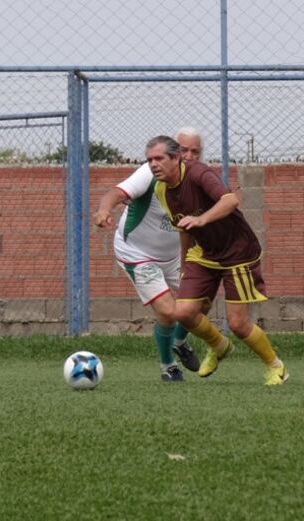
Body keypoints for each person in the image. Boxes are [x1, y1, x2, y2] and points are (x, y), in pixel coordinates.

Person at [145, 135, 288, 386]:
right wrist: (184, 263)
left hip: (237, 253)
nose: (153, 164)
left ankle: (275, 366)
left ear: (176, 158)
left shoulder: (199, 173)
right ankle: (220, 346)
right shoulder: (160, 190)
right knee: (184, 313)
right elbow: (183, 227)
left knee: (238, 323)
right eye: (149, 160)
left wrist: (202, 219)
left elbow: (230, 200)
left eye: (159, 158)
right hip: (203, 254)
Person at [93, 135, 204, 382]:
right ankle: (168, 366)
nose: (153, 163)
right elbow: (115, 193)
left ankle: (179, 340)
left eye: (194, 151)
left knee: (200, 301)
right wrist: (104, 210)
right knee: (167, 312)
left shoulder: (197, 180)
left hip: (175, 255)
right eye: (150, 159)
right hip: (138, 254)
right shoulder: (147, 175)